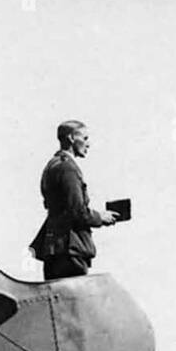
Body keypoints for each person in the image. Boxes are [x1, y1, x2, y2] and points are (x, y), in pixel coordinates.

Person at [29, 120, 118, 280]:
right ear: (71, 138)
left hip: (55, 249)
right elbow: (77, 212)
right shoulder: (67, 168)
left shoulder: (52, 165)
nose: (88, 144)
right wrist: (101, 217)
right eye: (84, 138)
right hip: (70, 249)